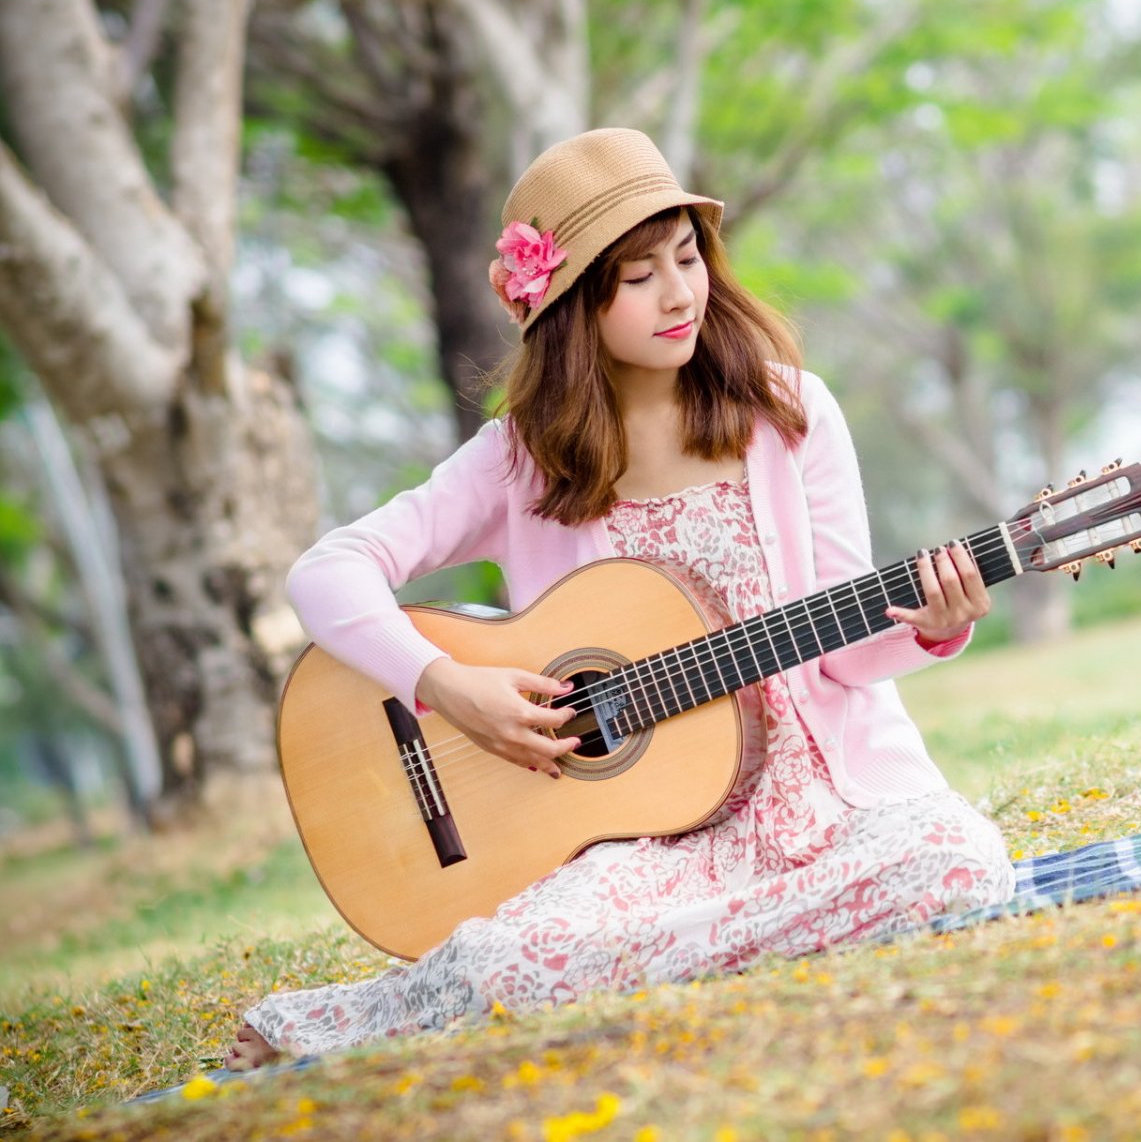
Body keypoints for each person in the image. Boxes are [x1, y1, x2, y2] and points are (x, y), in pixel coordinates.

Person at [226, 128, 1014, 1070]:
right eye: (638, 276)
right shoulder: (517, 460)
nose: (681, 293)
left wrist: (931, 632)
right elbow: (327, 573)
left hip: (831, 804)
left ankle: (621, 963)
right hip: (646, 842)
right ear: (569, 305)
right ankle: (409, 1000)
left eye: (688, 257)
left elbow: (842, 649)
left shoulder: (790, 413)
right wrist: (446, 687)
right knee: (518, 959)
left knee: (958, 862)